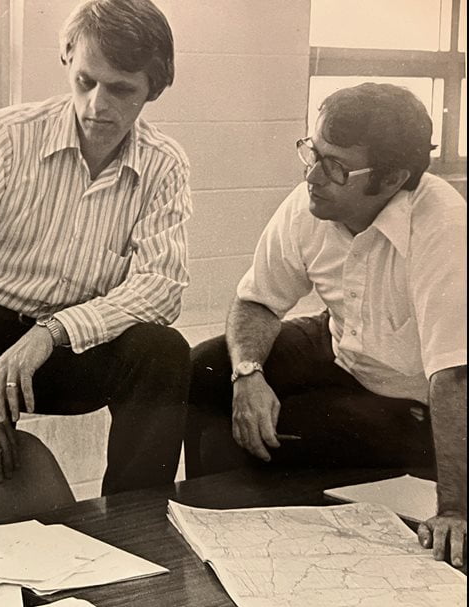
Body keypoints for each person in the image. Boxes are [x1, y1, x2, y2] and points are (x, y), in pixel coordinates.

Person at [0, 0, 191, 496]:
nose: (96, 106)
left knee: (163, 350)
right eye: (85, 81)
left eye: (121, 89)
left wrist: (51, 332)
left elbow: (160, 289)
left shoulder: (165, 165)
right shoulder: (1, 138)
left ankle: (136, 524)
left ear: (154, 89)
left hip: (65, 350)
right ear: (67, 60)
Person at [186, 82, 466, 567]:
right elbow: (256, 302)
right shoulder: (311, 200)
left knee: (275, 437)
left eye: (334, 166)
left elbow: (454, 380)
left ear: (393, 176)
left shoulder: (445, 229)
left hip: (412, 399)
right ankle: (209, 527)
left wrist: (456, 510)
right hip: (340, 344)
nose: (312, 175)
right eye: (313, 152)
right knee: (205, 369)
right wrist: (248, 373)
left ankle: (251, 544)